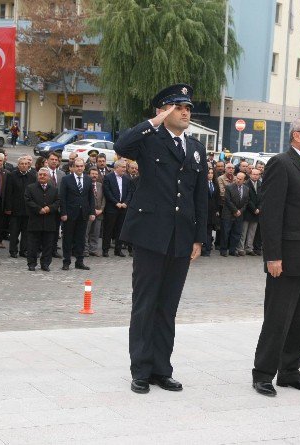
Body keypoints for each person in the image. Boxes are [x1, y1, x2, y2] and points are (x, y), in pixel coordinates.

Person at [114, 83, 208, 395]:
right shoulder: (149, 140)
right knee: (145, 305)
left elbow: (199, 197)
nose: (185, 112)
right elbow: (121, 144)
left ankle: (161, 369)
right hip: (150, 235)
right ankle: (140, 370)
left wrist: (199, 237)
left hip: (181, 238)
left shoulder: (195, 148)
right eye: (178, 106)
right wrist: (153, 121)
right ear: (163, 110)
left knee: (167, 307)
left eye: (188, 107)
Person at [252, 116, 300, 397]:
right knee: (278, 319)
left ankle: (289, 372)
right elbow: (271, 214)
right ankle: (263, 373)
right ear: (296, 136)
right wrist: (272, 256)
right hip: (285, 259)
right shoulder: (281, 164)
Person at [59, 157, 95, 270]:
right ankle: (66, 261)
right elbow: (62, 197)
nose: (79, 168)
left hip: (83, 214)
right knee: (68, 239)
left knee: (81, 239)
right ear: (73, 167)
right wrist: (63, 212)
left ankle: (79, 261)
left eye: (81, 166)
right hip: (69, 214)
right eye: (77, 166)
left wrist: (92, 212)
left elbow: (91, 198)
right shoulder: (66, 179)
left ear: (84, 167)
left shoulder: (88, 179)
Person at [24, 167, 60, 271]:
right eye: (40, 175)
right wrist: (38, 209)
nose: (42, 176)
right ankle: (31, 263)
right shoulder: (30, 188)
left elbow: (58, 201)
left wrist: (49, 208)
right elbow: (27, 200)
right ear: (37, 176)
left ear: (49, 177)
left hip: (49, 222)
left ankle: (45, 264)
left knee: (48, 245)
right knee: (32, 245)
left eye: (44, 175)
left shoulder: (54, 189)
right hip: (35, 221)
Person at [5, 156, 37, 258]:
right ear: (18, 165)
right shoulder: (11, 175)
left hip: (28, 209)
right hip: (15, 208)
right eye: (21, 164)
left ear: (29, 165)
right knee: (14, 231)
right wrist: (8, 208)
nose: (24, 165)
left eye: (26, 164)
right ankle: (13, 250)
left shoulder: (32, 176)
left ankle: (24, 250)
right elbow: (8, 192)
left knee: (26, 232)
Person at [102, 159, 131, 257]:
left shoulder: (127, 178)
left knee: (120, 229)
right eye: (123, 167)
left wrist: (125, 202)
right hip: (112, 208)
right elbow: (107, 192)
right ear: (117, 167)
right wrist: (116, 203)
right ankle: (105, 249)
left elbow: (129, 192)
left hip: (123, 208)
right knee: (108, 229)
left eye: (125, 167)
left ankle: (118, 250)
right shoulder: (108, 177)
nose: (125, 169)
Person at [220, 171, 249, 256]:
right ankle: (223, 250)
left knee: (236, 233)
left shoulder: (246, 189)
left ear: (244, 180)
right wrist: (235, 210)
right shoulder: (229, 187)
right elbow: (228, 201)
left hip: (239, 215)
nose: (238, 180)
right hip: (228, 214)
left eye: (240, 179)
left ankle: (233, 250)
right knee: (225, 232)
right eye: (237, 178)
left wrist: (240, 211)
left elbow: (246, 202)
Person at [239, 168, 262, 256]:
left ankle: (249, 248)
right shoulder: (246, 184)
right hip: (248, 211)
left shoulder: (261, 184)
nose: (256, 176)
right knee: (243, 232)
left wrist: (259, 208)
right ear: (250, 174)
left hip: (257, 212)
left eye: (258, 174)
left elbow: (263, 198)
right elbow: (247, 199)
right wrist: (254, 209)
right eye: (254, 174)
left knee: (252, 232)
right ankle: (241, 248)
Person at [46, 152, 65, 257]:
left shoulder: (62, 174)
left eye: (56, 160)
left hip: (58, 207)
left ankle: (53, 249)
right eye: (52, 159)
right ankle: (44, 249)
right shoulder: (42, 172)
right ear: (47, 160)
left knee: (55, 230)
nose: (54, 161)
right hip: (46, 206)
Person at [84, 167, 105, 257]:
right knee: (86, 232)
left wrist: (101, 209)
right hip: (89, 212)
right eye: (92, 174)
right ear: (88, 174)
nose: (94, 176)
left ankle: (93, 249)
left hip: (99, 213)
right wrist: (91, 210)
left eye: (96, 174)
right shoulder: (85, 184)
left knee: (96, 232)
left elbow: (104, 198)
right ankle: (85, 250)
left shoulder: (100, 185)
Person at [202, 168, 221, 256]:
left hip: (212, 213)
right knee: (202, 230)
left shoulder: (215, 185)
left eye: (211, 173)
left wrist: (217, 210)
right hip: (203, 211)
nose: (210, 174)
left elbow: (217, 198)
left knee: (209, 231)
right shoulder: (202, 184)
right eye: (208, 173)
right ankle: (202, 248)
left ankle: (207, 249)